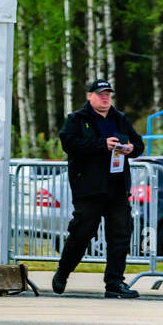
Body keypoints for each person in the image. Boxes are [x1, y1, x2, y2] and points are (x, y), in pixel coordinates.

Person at [53, 78, 146, 299]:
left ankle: (114, 283)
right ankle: (63, 271)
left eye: (108, 94)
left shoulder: (120, 119)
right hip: (89, 188)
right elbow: (68, 143)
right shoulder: (77, 119)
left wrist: (131, 149)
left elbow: (139, 145)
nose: (105, 97)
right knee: (82, 233)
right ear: (90, 96)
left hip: (117, 188)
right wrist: (101, 145)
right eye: (101, 94)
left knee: (120, 235)